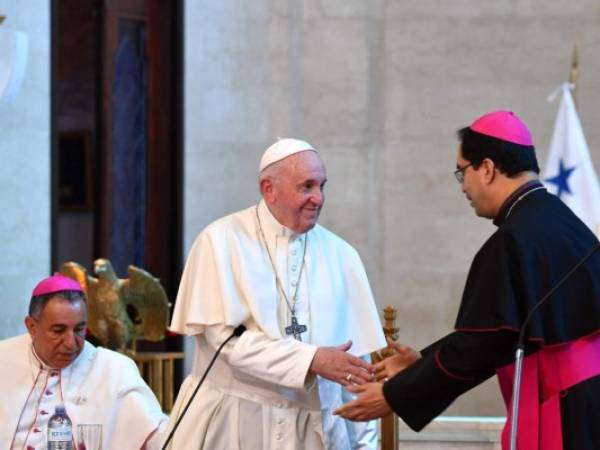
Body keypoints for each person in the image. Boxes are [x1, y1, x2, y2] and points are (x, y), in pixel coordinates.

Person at [335, 111, 600, 450]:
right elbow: (496, 333)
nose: (463, 186)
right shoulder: (560, 220)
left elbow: (479, 348)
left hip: (563, 411)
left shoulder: (513, 240)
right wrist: (422, 363)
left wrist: (393, 396)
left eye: (462, 171)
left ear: (487, 168)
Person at [165, 138, 386, 449]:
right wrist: (312, 360)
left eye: (322, 186)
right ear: (269, 189)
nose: (318, 198)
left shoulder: (342, 255)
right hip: (232, 424)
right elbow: (223, 342)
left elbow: (355, 369)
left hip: (313, 432)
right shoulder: (220, 241)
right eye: (306, 186)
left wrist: (366, 446)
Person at [0, 274, 168, 449]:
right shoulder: (3, 358)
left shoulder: (114, 369)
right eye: (58, 331)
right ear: (32, 327)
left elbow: (156, 434)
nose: (71, 343)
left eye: (79, 330)